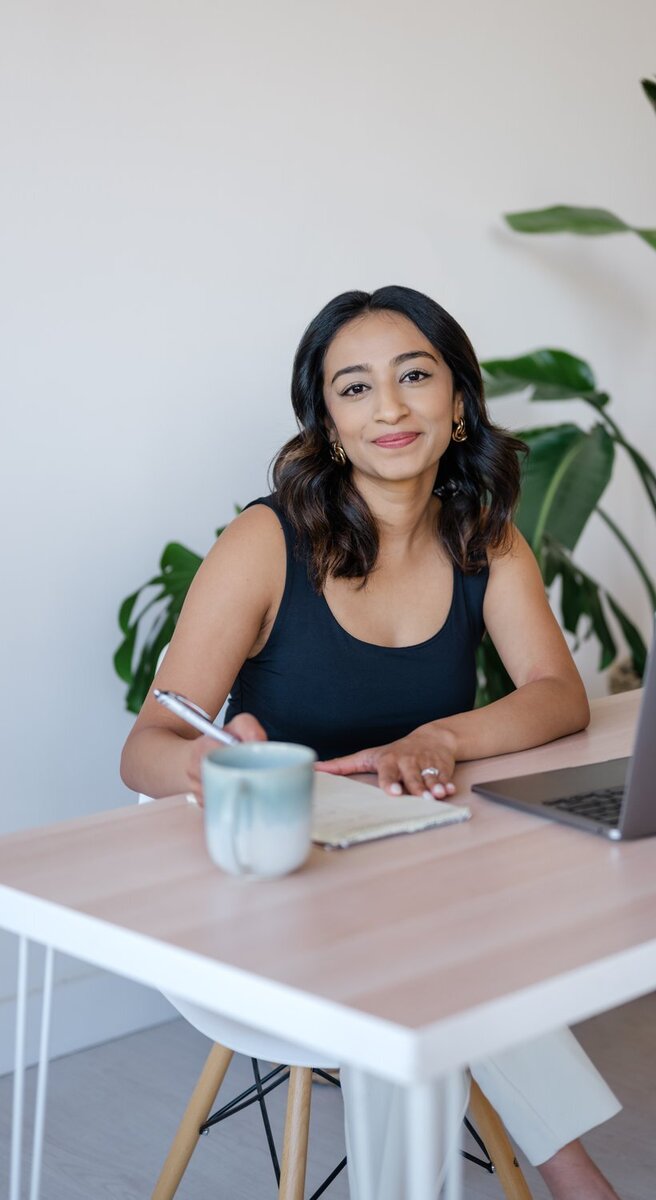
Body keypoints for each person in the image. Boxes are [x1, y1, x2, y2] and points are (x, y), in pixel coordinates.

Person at [121, 285, 622, 1199]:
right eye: (354, 388)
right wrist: (205, 764)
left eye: (414, 375)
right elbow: (146, 745)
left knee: (441, 932)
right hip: (272, 886)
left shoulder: (486, 536)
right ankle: (576, 1178)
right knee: (427, 958)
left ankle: (566, 1176)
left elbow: (558, 696)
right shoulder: (265, 542)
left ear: (459, 402)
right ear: (329, 424)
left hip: (412, 869)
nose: (388, 407)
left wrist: (438, 735)